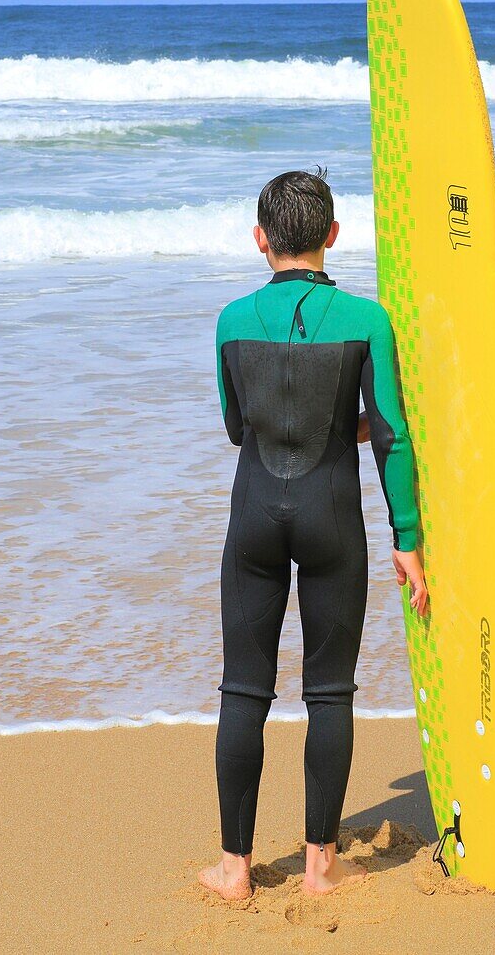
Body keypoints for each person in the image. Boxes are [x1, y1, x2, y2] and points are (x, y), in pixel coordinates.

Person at [198, 168, 428, 900]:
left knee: (244, 691)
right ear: (332, 236)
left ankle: (234, 869)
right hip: (333, 519)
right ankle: (321, 865)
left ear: (260, 239)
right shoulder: (368, 320)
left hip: (254, 518)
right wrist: (407, 537)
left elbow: (241, 429)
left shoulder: (232, 319)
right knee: (329, 694)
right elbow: (390, 434)